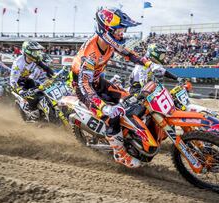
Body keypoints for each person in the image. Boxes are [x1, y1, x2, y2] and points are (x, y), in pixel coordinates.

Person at [71, 7, 170, 168]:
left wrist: (149, 63)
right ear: (106, 29)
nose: (122, 33)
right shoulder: (89, 56)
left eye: (123, 30)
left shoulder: (108, 42)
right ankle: (120, 153)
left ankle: (132, 136)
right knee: (112, 115)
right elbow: (85, 86)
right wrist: (104, 107)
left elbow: (128, 54)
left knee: (131, 100)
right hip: (84, 90)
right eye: (119, 30)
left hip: (98, 82)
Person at [10, 40, 54, 121]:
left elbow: (44, 66)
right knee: (33, 97)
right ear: (27, 52)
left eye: (37, 51)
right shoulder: (18, 63)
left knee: (43, 92)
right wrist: (20, 91)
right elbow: (13, 81)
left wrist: (50, 72)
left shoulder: (34, 59)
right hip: (18, 84)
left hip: (28, 80)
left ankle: (44, 112)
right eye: (35, 52)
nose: (37, 54)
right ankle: (33, 114)